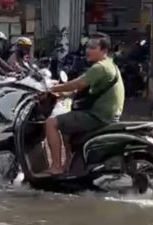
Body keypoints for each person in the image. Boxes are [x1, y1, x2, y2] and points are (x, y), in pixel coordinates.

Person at [43, 32, 125, 175]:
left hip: (98, 117)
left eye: (93, 47)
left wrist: (51, 88)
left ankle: (56, 167)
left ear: (104, 50)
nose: (88, 50)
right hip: (105, 115)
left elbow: (78, 83)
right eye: (87, 47)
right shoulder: (109, 65)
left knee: (51, 123)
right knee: (66, 124)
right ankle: (69, 165)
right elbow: (83, 88)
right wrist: (62, 93)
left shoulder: (100, 67)